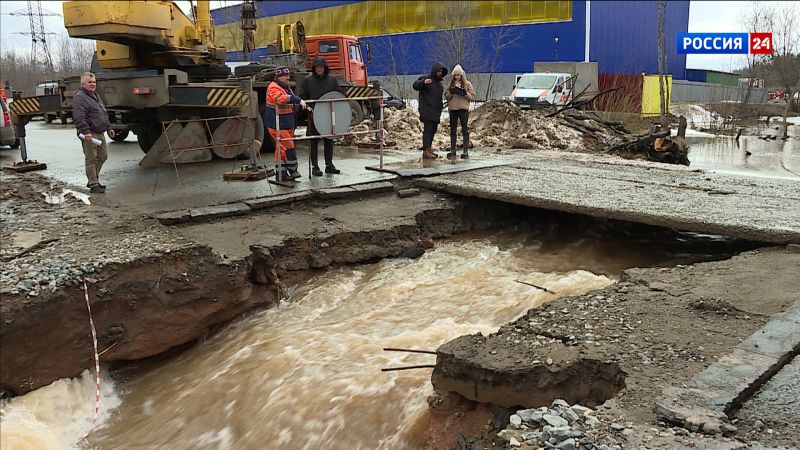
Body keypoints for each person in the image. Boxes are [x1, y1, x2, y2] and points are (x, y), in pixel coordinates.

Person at [298, 57, 342, 176]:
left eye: (321, 67)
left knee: (329, 140)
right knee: (314, 141)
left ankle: (329, 165)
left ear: (325, 68)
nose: (319, 69)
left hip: (328, 114)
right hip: (314, 114)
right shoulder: (308, 81)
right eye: (317, 67)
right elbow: (302, 96)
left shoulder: (332, 80)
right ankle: (315, 166)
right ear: (314, 68)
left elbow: (339, 95)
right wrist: (307, 106)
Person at [72, 72, 114, 194]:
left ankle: (93, 179)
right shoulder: (80, 97)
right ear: (83, 84)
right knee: (91, 158)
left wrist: (109, 127)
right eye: (89, 82)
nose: (92, 84)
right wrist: (86, 132)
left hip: (99, 131)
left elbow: (103, 112)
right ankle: (94, 183)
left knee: (103, 155)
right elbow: (79, 116)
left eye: (94, 82)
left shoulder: (95, 95)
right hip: (89, 132)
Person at [265, 66, 309, 182]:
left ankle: (281, 174)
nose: (288, 78)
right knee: (288, 146)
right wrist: (296, 99)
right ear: (280, 76)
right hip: (277, 124)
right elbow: (280, 99)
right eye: (286, 75)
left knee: (281, 149)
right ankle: (293, 169)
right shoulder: (273, 87)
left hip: (286, 123)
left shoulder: (284, 86)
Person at [412, 62, 448, 159]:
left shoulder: (439, 84)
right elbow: (415, 86)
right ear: (435, 70)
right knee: (427, 130)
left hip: (436, 111)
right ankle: (426, 150)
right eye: (439, 71)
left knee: (433, 130)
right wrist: (423, 82)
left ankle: (429, 148)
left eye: (442, 72)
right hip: (426, 109)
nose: (440, 73)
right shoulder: (426, 79)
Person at [445, 64, 475, 159]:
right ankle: (453, 150)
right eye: (455, 75)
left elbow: (472, 97)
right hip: (453, 109)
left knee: (464, 129)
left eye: (458, 75)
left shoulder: (467, 84)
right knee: (452, 130)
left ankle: (465, 151)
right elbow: (446, 96)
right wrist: (452, 93)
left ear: (462, 75)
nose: (457, 77)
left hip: (463, 109)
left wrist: (464, 93)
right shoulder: (450, 84)